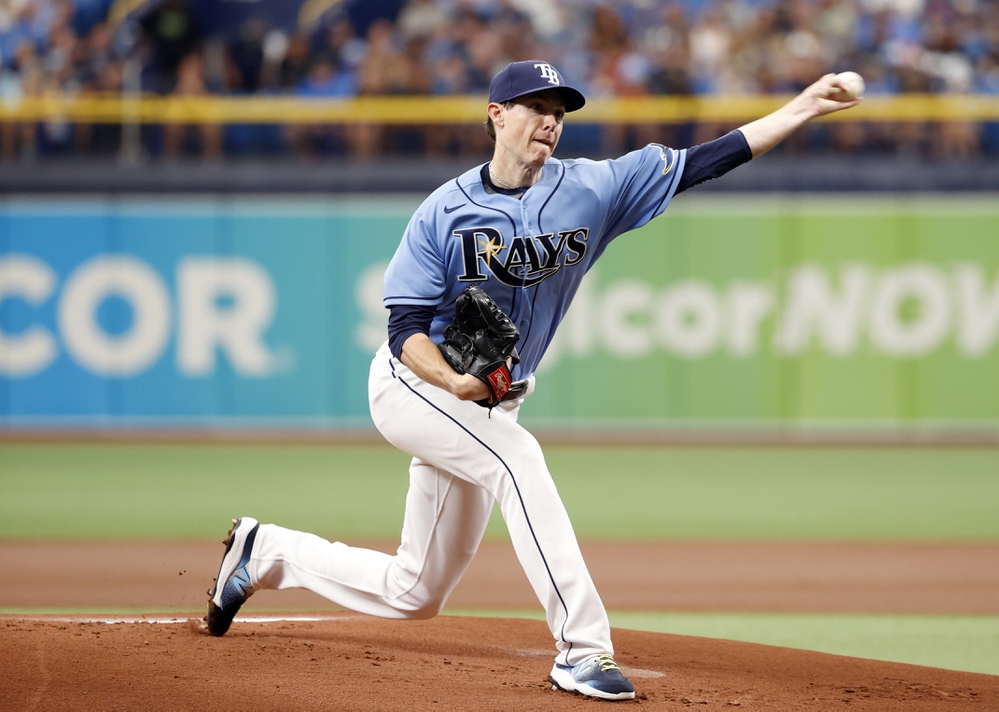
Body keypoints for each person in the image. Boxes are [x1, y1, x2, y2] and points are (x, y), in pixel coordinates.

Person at [205, 59, 859, 702]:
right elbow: (403, 329)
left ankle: (264, 552)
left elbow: (707, 159)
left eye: (558, 113)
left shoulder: (592, 188)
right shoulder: (443, 212)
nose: (550, 123)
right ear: (497, 115)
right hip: (414, 386)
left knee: (416, 592)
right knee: (518, 462)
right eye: (536, 109)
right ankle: (581, 648)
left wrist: (802, 107)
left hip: (490, 402)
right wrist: (451, 382)